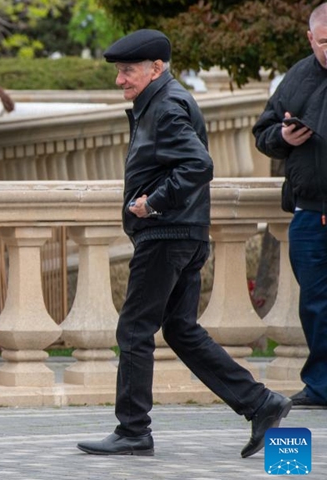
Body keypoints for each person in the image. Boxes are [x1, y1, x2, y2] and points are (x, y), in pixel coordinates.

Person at [76, 29, 291, 459]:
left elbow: (198, 165)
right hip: (183, 234)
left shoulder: (167, 105)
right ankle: (261, 403)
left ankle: (133, 430)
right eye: (119, 72)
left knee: (135, 330)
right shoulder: (160, 101)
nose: (120, 80)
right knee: (179, 328)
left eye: (128, 71)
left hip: (167, 235)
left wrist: (152, 203)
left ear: (156, 68)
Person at [253, 3, 327, 409]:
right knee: (315, 304)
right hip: (308, 214)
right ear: (310, 39)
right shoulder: (297, 76)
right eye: (324, 42)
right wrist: (283, 136)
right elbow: (262, 132)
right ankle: (321, 387)